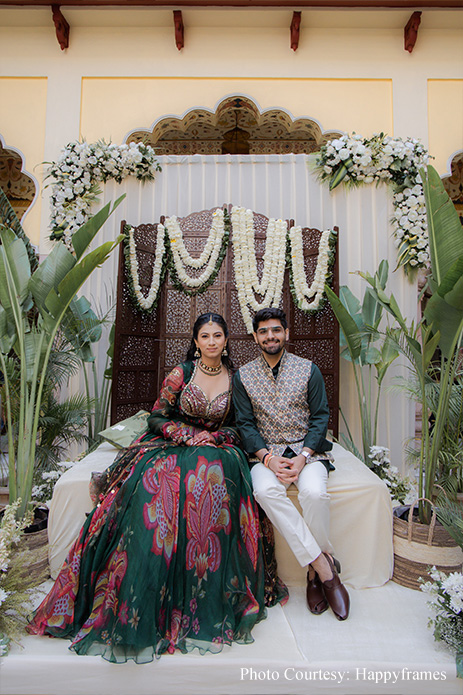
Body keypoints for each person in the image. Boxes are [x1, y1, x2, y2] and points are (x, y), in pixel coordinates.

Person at [28, 313, 266, 662]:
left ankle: (205, 590)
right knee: (160, 480)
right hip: (174, 444)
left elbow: (241, 424)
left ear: (226, 340)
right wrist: (185, 435)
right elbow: (156, 416)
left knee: (217, 470)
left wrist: (214, 437)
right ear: (196, 341)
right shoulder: (181, 374)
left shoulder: (237, 378)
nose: (212, 341)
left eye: (218, 335)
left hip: (216, 447)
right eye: (205, 336)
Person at [233, 307, 350, 621]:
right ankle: (324, 567)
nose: (270, 336)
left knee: (313, 494)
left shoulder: (308, 369)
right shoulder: (243, 375)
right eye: (264, 331)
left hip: (307, 453)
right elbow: (244, 424)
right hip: (265, 455)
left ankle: (313, 575)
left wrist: (303, 457)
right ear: (256, 336)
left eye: (276, 330)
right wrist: (268, 459)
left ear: (286, 333)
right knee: (265, 493)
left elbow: (320, 417)